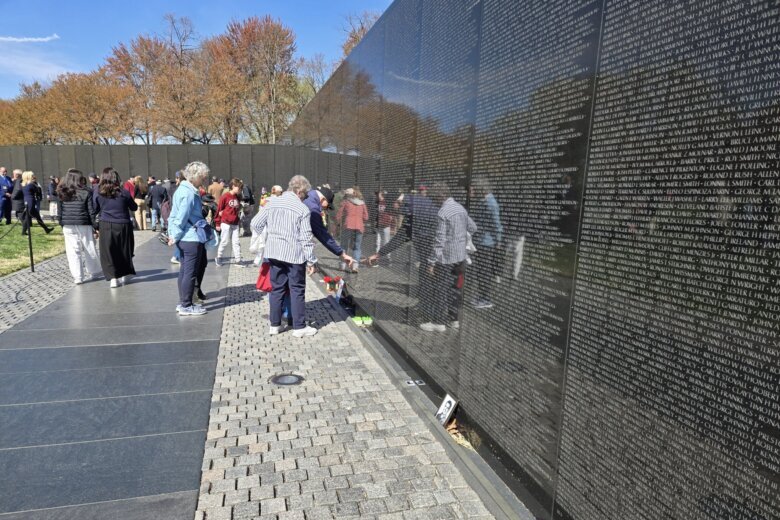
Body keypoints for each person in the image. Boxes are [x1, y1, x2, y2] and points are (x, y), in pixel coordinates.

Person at [251, 175, 318, 338]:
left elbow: (255, 223)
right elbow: (305, 237)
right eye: (306, 194)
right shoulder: (302, 209)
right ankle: (299, 327)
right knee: (297, 289)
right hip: (294, 255)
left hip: (273, 252)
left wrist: (270, 237)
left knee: (277, 289)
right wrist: (311, 260)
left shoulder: (272, 202)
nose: (305, 197)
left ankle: (274, 325)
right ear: (300, 191)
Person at [420, 183, 476, 332]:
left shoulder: (443, 212)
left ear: (440, 196)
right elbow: (473, 227)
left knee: (440, 289)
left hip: (445, 259)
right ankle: (454, 320)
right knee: (455, 289)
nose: (433, 202)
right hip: (461, 257)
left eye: (434, 199)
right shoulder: (460, 208)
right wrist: (459, 237)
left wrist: (431, 262)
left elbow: (439, 240)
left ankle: (439, 323)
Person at [167, 161, 211, 316]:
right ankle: (186, 305)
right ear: (196, 176)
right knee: (190, 273)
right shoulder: (189, 193)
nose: (204, 180)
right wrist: (175, 235)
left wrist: (173, 234)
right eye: (203, 177)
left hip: (185, 237)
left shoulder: (182, 190)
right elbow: (181, 218)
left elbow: (173, 216)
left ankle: (184, 303)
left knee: (185, 272)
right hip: (190, 237)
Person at [57, 169, 101, 284]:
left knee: (72, 251)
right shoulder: (86, 191)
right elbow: (91, 211)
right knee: (89, 247)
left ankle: (78, 277)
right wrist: (95, 226)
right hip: (83, 222)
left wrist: (61, 222)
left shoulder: (62, 191)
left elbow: (60, 211)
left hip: (68, 224)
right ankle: (94, 271)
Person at [94, 169, 137, 288]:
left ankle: (113, 277)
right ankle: (124, 273)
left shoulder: (98, 192)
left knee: (108, 251)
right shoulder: (123, 192)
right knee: (124, 250)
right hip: (123, 223)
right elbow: (134, 207)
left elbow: (94, 208)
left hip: (106, 224)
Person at [469, 178, 503, 309]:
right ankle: (482, 296)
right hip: (481, 241)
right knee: (481, 271)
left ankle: (486, 299)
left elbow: (497, 224)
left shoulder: (491, 203)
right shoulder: (484, 201)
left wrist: (498, 241)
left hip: (486, 243)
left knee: (484, 271)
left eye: (474, 188)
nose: (472, 191)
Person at [304, 189, 355, 269]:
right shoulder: (313, 208)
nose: (325, 209)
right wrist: (342, 254)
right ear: (323, 199)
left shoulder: (308, 193)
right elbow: (322, 234)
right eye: (327, 206)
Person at [335, 186, 368, 272]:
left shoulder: (346, 202)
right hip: (359, 227)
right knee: (357, 247)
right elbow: (366, 217)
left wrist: (337, 223)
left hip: (347, 226)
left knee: (344, 246)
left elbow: (339, 214)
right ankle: (355, 266)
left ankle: (342, 265)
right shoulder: (362, 203)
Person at [215, 178, 245, 267]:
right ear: (233, 186)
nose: (240, 190)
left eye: (241, 188)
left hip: (235, 223)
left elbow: (237, 208)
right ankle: (219, 257)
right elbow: (218, 210)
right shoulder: (225, 196)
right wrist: (217, 223)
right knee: (225, 241)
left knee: (236, 241)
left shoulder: (237, 197)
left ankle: (238, 259)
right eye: (239, 188)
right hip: (226, 223)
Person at [374, 190, 393, 259]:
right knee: (377, 242)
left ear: (381, 194)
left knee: (386, 242)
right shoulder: (376, 202)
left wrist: (389, 224)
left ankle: (388, 257)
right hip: (378, 225)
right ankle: (376, 258)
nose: (376, 196)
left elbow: (391, 215)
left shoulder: (387, 202)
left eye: (378, 194)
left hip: (385, 225)